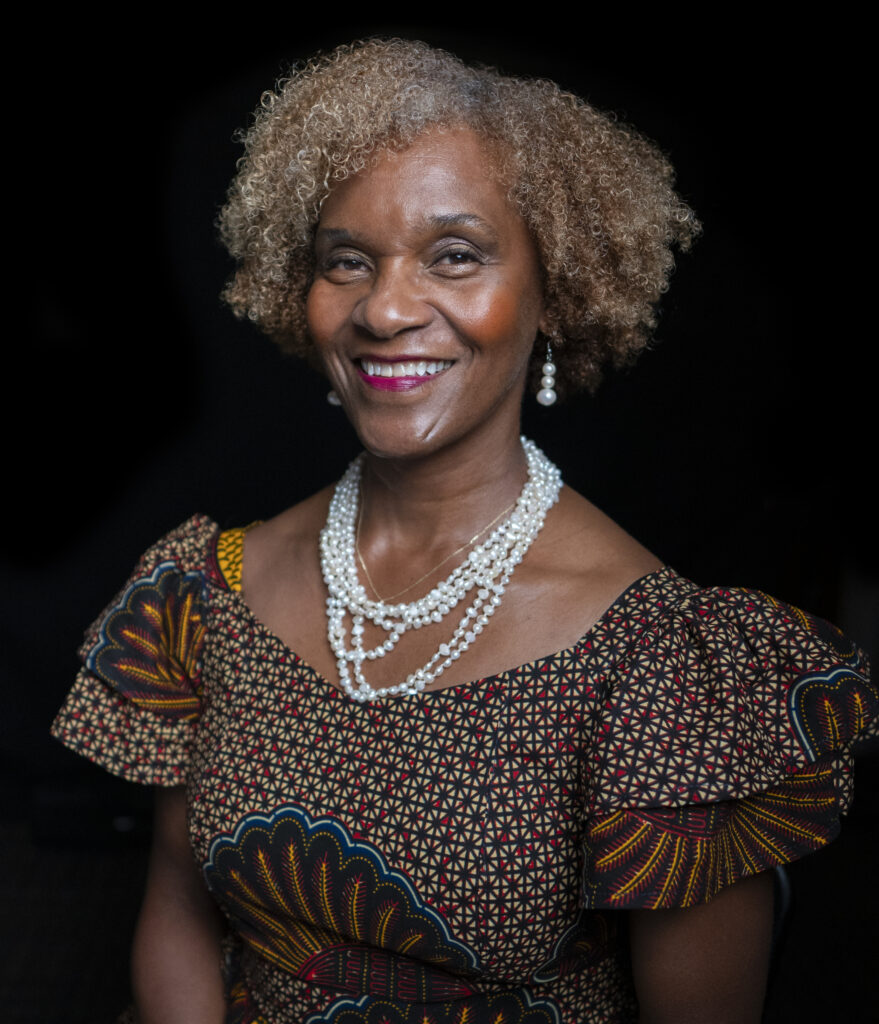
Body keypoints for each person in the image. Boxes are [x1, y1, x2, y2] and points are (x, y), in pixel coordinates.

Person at [51, 38, 877, 1024]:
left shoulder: (660, 662)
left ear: (555, 291)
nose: (386, 308)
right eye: (347, 261)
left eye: (455, 255)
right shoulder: (209, 588)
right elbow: (180, 915)